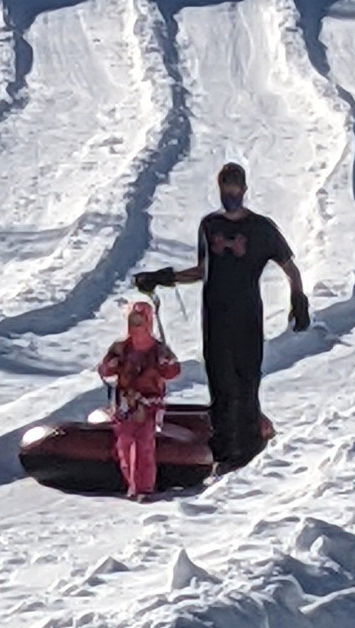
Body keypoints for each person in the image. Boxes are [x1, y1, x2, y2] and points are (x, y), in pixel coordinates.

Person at [134, 162, 310, 473]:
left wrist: (298, 297)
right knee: (220, 381)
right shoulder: (209, 226)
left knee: (246, 380)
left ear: (244, 189)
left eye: (235, 187)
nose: (230, 192)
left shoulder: (262, 228)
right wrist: (164, 277)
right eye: (225, 186)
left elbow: (289, 266)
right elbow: (204, 270)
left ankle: (249, 444)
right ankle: (224, 448)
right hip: (214, 315)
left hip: (247, 316)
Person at [97, 301, 180, 499]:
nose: (136, 326)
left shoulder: (159, 349)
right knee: (124, 445)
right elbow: (104, 370)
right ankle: (131, 484)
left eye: (140, 321)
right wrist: (110, 366)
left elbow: (173, 371)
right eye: (133, 321)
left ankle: (144, 488)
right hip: (126, 405)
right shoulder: (120, 347)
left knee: (144, 445)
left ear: (149, 322)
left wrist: (166, 364)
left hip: (149, 404)